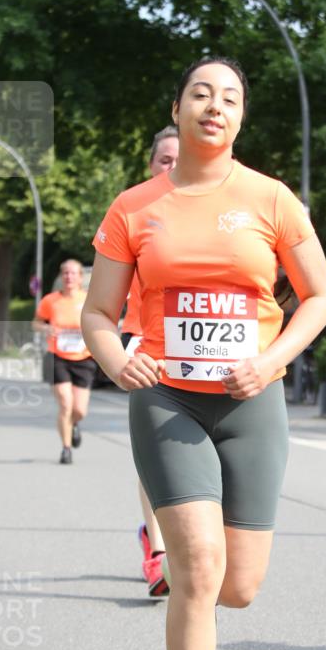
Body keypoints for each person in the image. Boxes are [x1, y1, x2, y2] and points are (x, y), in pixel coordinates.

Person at [82, 57, 326, 650]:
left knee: (238, 584)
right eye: (201, 93)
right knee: (196, 567)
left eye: (229, 97)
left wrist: (273, 357)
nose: (214, 106)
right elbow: (98, 312)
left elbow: (317, 297)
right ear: (179, 107)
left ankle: (199, 627)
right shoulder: (135, 206)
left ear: (240, 117)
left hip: (253, 398)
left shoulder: (271, 199)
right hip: (168, 397)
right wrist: (112, 357)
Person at [121, 125, 179, 596]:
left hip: (206, 353)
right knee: (154, 451)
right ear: (150, 164)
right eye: (164, 159)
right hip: (144, 339)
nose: (173, 167)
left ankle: (180, 540)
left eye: (180, 157)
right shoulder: (134, 207)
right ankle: (158, 550)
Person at [32, 259, 97, 465]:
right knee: (65, 404)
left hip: (83, 357)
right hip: (57, 356)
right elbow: (36, 323)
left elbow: (98, 323)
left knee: (79, 410)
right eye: (66, 273)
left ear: (80, 277)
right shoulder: (50, 300)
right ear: (62, 277)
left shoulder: (88, 300)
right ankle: (66, 448)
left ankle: (75, 424)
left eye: (73, 273)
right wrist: (46, 329)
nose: (69, 277)